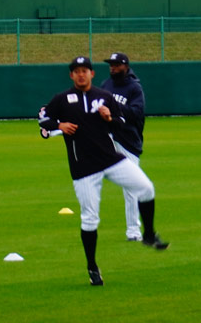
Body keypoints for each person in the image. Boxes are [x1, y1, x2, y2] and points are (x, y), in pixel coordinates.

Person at [39, 56, 168, 287]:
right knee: (90, 219)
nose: (81, 74)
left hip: (111, 159)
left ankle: (148, 234)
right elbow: (43, 119)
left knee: (146, 188)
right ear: (71, 75)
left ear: (92, 74)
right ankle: (92, 267)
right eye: (76, 71)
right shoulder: (62, 99)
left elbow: (120, 121)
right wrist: (59, 125)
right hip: (84, 167)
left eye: (85, 70)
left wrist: (109, 117)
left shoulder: (104, 96)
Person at [99, 52, 146, 242]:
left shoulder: (134, 88)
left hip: (128, 140)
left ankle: (133, 231)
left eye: (116, 65)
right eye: (111, 64)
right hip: (109, 137)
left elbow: (136, 113)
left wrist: (114, 109)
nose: (113, 67)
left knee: (131, 187)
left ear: (125, 66)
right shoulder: (106, 85)